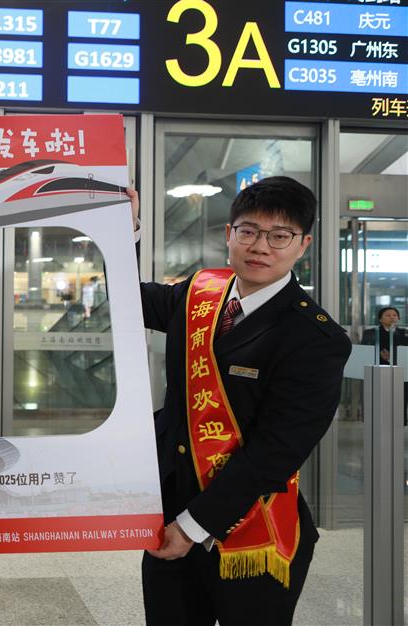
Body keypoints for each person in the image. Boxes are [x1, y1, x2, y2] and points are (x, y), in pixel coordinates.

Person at [134, 177, 351, 625]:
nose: (261, 246)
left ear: (303, 244)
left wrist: (192, 527)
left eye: (280, 235)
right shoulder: (200, 292)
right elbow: (128, 300)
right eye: (248, 231)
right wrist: (123, 231)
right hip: (169, 515)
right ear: (228, 234)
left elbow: (276, 452)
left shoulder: (316, 337)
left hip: (253, 530)